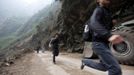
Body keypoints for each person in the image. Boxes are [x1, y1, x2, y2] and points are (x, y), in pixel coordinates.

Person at [81, 0, 123, 75]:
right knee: (115, 69)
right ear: (98, 1)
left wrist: (112, 23)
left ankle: (85, 61)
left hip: (105, 44)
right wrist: (109, 36)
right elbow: (93, 23)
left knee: (104, 67)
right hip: (98, 44)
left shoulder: (107, 12)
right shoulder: (98, 10)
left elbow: (105, 27)